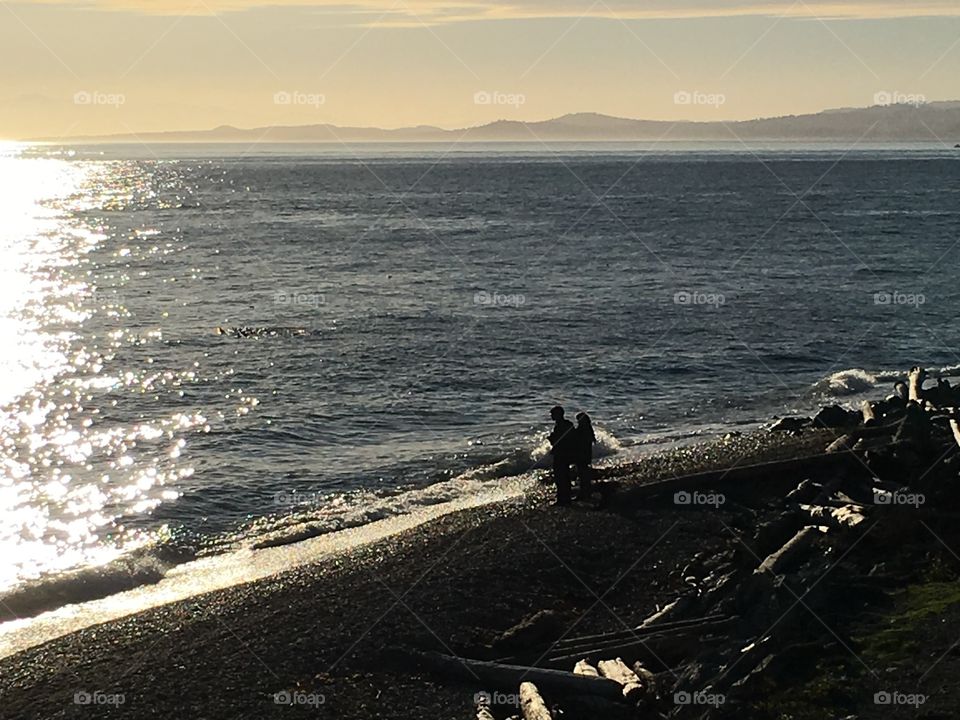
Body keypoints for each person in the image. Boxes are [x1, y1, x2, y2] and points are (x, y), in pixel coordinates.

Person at [548, 405, 575, 505]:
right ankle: (565, 498)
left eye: (553, 414)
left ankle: (562, 499)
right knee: (564, 476)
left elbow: (560, 441)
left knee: (560, 477)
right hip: (566, 454)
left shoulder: (561, 425)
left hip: (561, 454)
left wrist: (552, 439)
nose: (551, 416)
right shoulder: (567, 424)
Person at [574, 412, 597, 499]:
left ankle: (584, 492)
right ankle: (585, 491)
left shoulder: (583, 430)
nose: (578, 422)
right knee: (584, 473)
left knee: (582, 474)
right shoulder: (588, 429)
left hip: (582, 455)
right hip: (586, 455)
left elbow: (580, 442)